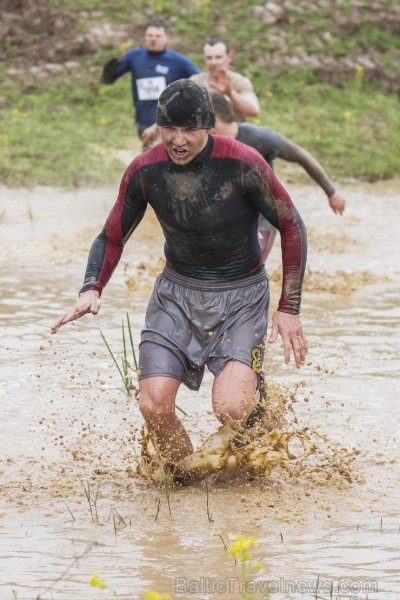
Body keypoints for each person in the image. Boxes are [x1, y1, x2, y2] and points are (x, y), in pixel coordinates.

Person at [51, 80, 308, 466]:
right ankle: (183, 478)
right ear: (158, 127)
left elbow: (291, 225)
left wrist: (289, 307)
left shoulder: (243, 163)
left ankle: (252, 434)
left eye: (190, 130)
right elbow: (112, 235)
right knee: (153, 404)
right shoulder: (145, 170)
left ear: (209, 127)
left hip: (241, 294)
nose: (180, 140)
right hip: (176, 294)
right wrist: (91, 287)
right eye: (170, 129)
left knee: (232, 409)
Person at [210, 90, 346, 260]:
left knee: (249, 265)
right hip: (227, 218)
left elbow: (301, 156)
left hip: (262, 217)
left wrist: (331, 192)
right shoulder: (204, 145)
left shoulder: (259, 137)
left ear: (213, 121)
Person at [101, 17, 200, 150]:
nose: (153, 39)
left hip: (170, 124)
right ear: (145, 36)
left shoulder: (177, 61)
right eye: (150, 35)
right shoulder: (134, 56)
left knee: (166, 163)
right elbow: (108, 80)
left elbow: (201, 80)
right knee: (148, 165)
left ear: (167, 37)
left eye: (158, 36)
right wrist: (108, 73)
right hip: (143, 122)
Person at [190, 37, 260, 122]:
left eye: (218, 57)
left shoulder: (239, 82)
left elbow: (254, 111)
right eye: (209, 58)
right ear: (204, 59)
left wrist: (230, 93)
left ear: (229, 57)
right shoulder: (195, 82)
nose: (213, 62)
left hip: (233, 133)